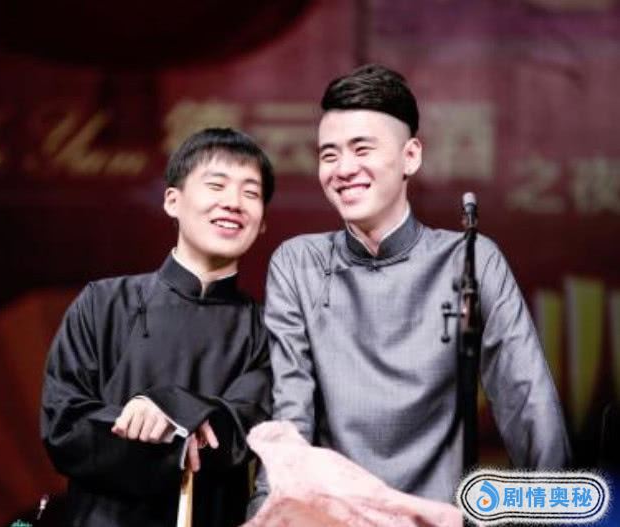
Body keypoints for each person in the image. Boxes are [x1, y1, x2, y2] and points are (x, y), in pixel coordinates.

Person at [249, 64, 570, 513]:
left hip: (440, 516)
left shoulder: (470, 258)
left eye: (362, 148)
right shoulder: (299, 263)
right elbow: (290, 420)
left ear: (411, 156)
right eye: (329, 155)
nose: (344, 169)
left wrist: (553, 513)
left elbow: (528, 404)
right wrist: (267, 514)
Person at [41, 127, 275, 527]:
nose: (233, 202)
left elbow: (242, 431)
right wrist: (172, 430)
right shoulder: (102, 302)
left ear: (263, 222)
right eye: (216, 185)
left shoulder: (267, 331)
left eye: (250, 193)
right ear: (172, 201)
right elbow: (64, 426)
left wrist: (171, 407)